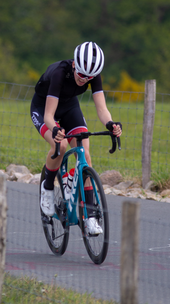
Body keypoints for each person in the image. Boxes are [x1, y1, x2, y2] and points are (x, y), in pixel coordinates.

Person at [30, 41, 122, 235]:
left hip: (70, 107)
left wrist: (111, 124)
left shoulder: (92, 76)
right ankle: (47, 190)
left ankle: (89, 217)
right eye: (81, 75)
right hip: (44, 107)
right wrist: (54, 129)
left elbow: (101, 108)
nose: (84, 80)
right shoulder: (59, 73)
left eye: (89, 77)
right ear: (74, 66)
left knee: (85, 156)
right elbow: (48, 116)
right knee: (61, 146)